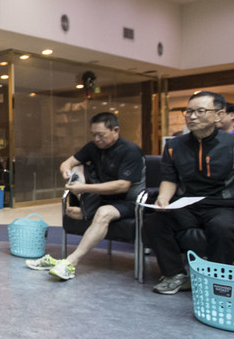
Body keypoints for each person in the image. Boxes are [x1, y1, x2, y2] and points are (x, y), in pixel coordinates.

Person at [145, 91, 234, 295]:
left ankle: (217, 282)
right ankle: (175, 275)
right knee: (154, 223)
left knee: (222, 227)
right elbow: (169, 179)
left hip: (224, 206)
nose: (192, 117)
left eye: (200, 111)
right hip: (187, 205)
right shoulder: (174, 146)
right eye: (189, 111)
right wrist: (163, 198)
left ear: (219, 115)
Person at [25, 112, 145, 281]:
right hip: (101, 197)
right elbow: (67, 162)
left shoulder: (130, 151)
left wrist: (84, 187)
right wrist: (67, 172)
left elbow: (122, 186)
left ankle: (70, 263)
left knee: (104, 213)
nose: (96, 139)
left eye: (101, 135)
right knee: (77, 168)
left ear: (115, 130)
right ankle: (65, 253)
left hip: (128, 201)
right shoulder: (93, 147)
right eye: (93, 135)